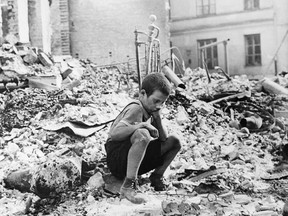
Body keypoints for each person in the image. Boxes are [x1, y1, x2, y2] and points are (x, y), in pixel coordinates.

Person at [105, 72, 181, 204]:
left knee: (174, 141)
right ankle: (128, 186)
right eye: (156, 101)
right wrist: (142, 125)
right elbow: (114, 134)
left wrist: (157, 117)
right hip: (116, 159)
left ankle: (156, 177)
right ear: (142, 94)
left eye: (162, 103)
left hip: (130, 160)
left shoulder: (151, 110)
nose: (158, 105)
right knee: (142, 134)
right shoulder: (136, 108)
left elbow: (163, 139)